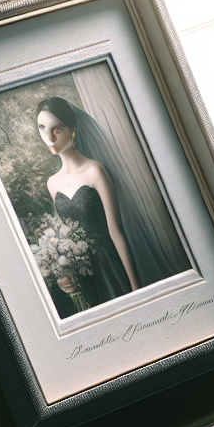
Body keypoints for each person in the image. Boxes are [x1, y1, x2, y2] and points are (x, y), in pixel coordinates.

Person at [36, 97, 137, 306]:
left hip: (108, 265)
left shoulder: (95, 171)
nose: (49, 137)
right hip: (83, 274)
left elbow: (116, 231)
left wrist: (137, 288)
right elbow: (63, 236)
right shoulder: (52, 183)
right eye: (42, 128)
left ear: (72, 129)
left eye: (57, 129)